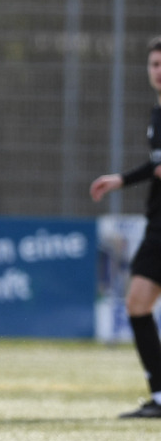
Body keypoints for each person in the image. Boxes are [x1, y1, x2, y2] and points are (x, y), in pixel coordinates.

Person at [89, 35, 161, 419]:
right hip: (157, 223)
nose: (158, 71)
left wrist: (122, 179)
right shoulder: (156, 113)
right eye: (154, 64)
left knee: (138, 303)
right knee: (137, 304)